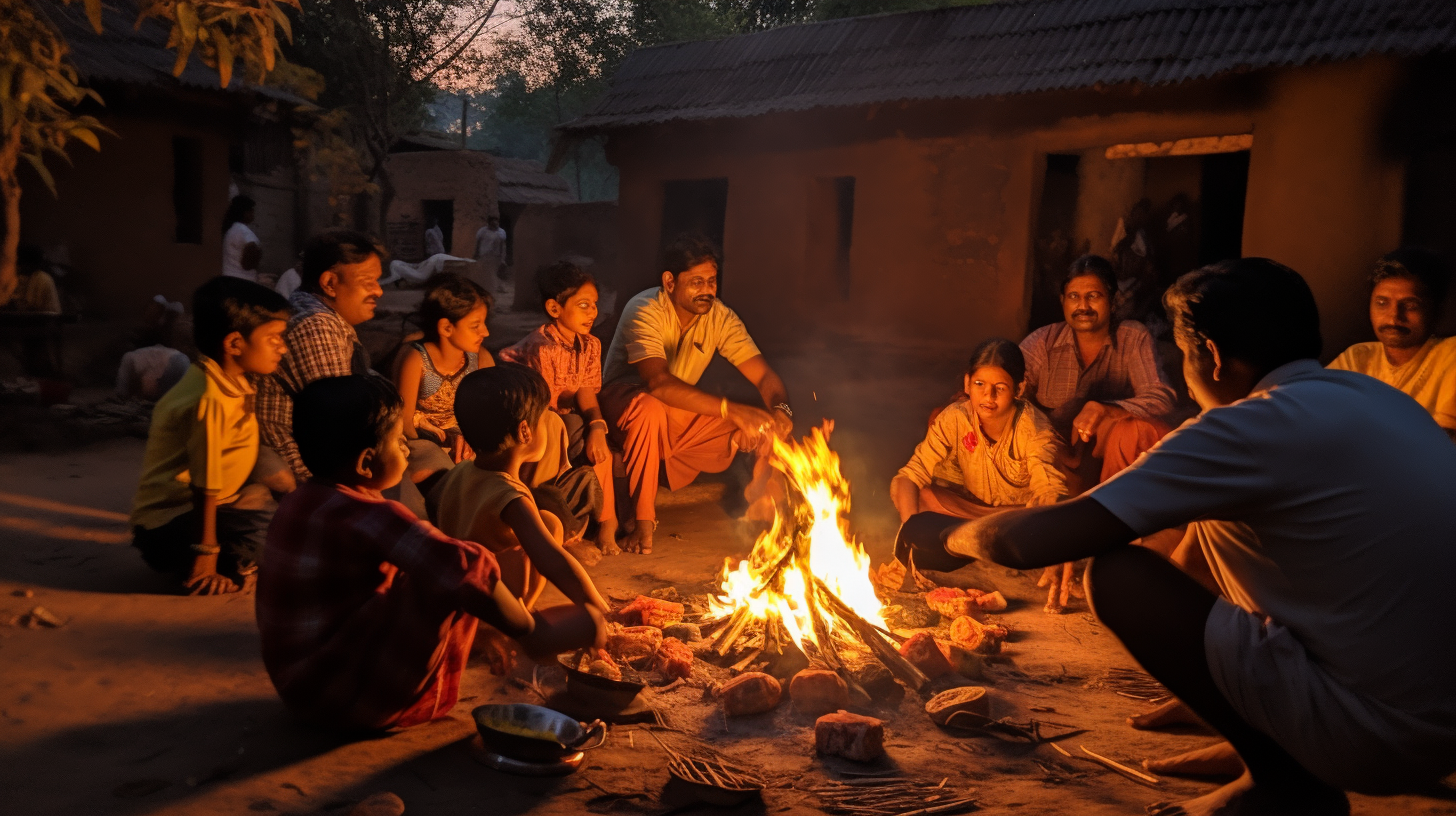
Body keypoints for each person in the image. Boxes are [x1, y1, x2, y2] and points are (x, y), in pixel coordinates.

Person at [920, 258, 1456, 816]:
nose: (1182, 370)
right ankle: (1268, 759)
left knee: (1119, 575)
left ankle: (1285, 781)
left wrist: (942, 534)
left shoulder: (1247, 425)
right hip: (1444, 729)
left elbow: (1033, 542)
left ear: (1213, 355)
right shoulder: (1371, 395)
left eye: (1182, 354)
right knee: (1213, 517)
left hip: (1376, 737)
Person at [256, 375, 603, 732]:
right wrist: (531, 631)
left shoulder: (300, 501)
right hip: (351, 702)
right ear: (366, 463)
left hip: (300, 688)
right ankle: (531, 633)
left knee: (430, 565)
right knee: (460, 565)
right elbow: (466, 566)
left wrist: (485, 632)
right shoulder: (373, 516)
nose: (407, 446)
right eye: (397, 440)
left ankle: (502, 630)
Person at [600, 234, 792, 555]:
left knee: (763, 425)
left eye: (712, 281)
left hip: (676, 413)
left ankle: (764, 512)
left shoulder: (720, 316)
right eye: (697, 282)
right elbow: (658, 384)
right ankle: (643, 522)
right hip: (626, 405)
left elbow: (765, 377)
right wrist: (731, 410)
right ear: (670, 282)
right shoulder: (644, 308)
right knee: (651, 407)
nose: (707, 290)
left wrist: (781, 409)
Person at [130, 277, 289, 595]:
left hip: (212, 506)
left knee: (289, 522)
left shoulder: (226, 377)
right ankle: (218, 566)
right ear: (234, 344)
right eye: (273, 338)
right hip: (172, 523)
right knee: (281, 543)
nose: (282, 347)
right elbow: (205, 484)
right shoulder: (210, 398)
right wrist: (206, 554)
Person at [889, 339, 1072, 611]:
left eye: (1000, 388)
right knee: (918, 494)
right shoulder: (955, 418)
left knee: (1047, 518)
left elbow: (1048, 490)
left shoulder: (1034, 429)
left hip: (1016, 519)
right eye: (980, 385)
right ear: (967, 384)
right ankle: (972, 546)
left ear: (1019, 389)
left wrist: (1059, 546)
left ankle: (981, 548)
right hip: (970, 511)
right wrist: (910, 532)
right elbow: (910, 474)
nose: (988, 397)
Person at [432, 364, 612, 614]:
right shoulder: (510, 497)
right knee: (549, 531)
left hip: (454, 586)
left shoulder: (461, 472)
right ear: (525, 431)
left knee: (548, 521)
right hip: (484, 602)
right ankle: (517, 618)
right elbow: (553, 562)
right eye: (544, 419)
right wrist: (601, 611)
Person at [500, 260, 619, 554]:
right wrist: (582, 426)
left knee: (597, 441)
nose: (592, 312)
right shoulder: (544, 347)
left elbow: (586, 391)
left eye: (594, 304)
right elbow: (544, 409)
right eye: (583, 305)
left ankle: (608, 522)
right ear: (555, 309)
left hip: (562, 416)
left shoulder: (590, 344)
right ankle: (556, 526)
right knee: (567, 428)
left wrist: (597, 426)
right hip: (528, 416)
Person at [1328, 248, 1456, 440]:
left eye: (1411, 305)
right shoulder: (1357, 357)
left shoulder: (1449, 355)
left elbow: (1443, 445)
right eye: (1382, 303)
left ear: (1436, 311)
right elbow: (1314, 416)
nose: (1394, 316)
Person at [394, 274, 493, 464]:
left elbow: (486, 415)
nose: (485, 332)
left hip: (466, 445)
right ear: (446, 328)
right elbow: (404, 424)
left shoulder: (481, 359)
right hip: (423, 444)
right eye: (475, 326)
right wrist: (444, 441)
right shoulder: (417, 359)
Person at [221, 195, 262, 282]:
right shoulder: (244, 231)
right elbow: (248, 264)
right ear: (245, 213)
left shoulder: (230, 230)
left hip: (228, 278)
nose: (253, 214)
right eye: (251, 211)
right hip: (243, 282)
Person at [473, 216, 508, 292]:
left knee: (495, 272)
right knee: (485, 272)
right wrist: (476, 254)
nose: (495, 224)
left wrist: (503, 258)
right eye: (492, 222)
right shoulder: (482, 231)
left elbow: (503, 245)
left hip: (496, 256)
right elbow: (478, 243)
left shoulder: (501, 232)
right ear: (489, 223)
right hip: (484, 255)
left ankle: (497, 288)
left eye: (496, 222)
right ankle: (486, 287)